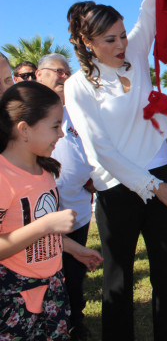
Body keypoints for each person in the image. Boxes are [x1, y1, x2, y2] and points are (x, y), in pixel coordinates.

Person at [64, 0, 167, 341]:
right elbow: (101, 151)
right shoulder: (78, 86)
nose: (121, 45)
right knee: (118, 277)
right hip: (117, 187)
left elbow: (150, 7)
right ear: (87, 43)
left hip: (160, 172)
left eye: (121, 35)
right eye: (109, 40)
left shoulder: (135, 52)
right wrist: (153, 187)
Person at [0, 81, 102, 340]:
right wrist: (46, 226)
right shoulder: (3, 176)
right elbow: (40, 226)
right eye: (55, 126)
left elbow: (40, 226)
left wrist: (76, 250)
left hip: (53, 288)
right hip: (14, 294)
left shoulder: (45, 171)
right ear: (24, 129)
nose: (61, 134)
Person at [36, 53, 96, 340]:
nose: (64, 76)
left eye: (67, 72)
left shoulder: (75, 110)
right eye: (58, 71)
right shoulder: (26, 111)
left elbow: (89, 149)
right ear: (39, 75)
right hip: (39, 218)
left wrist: (93, 176)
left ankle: (75, 323)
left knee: (73, 277)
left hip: (78, 211)